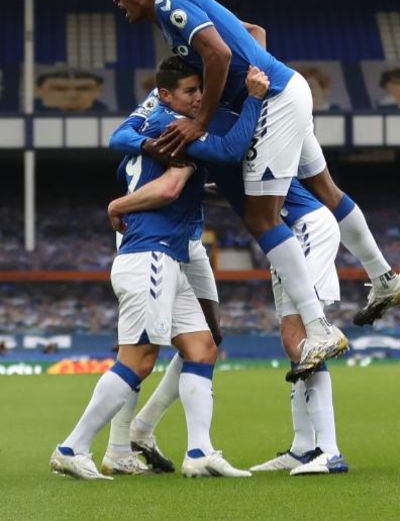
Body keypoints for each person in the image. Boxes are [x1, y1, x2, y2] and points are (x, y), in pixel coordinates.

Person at [113, 0, 400, 379]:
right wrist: (254, 74)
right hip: (287, 92)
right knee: (326, 190)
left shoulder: (167, 3)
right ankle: (384, 277)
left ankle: (320, 327)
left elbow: (217, 55)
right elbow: (253, 32)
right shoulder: (179, 7)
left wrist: (205, 118)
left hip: (276, 99)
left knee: (260, 216)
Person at [109, 58, 352, 474]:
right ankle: (126, 440)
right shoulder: (173, 110)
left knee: (223, 338)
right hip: (171, 237)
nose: (200, 95)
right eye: (192, 89)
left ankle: (323, 450)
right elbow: (124, 138)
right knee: (155, 345)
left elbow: (223, 153)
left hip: (293, 230)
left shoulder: (243, 108)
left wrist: (121, 200)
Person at [49, 74, 259, 480]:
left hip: (170, 257)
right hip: (151, 256)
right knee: (140, 360)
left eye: (202, 89)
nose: (199, 97)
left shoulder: (154, 122)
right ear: (167, 95)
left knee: (201, 348)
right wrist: (252, 100)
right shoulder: (176, 129)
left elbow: (133, 148)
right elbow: (178, 183)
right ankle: (72, 446)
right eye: (190, 91)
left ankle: (199, 451)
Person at [34, 68, 111, 112]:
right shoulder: (32, 110)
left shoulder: (104, 114)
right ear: (39, 90)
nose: (72, 95)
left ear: (99, 90)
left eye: (83, 88)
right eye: (60, 89)